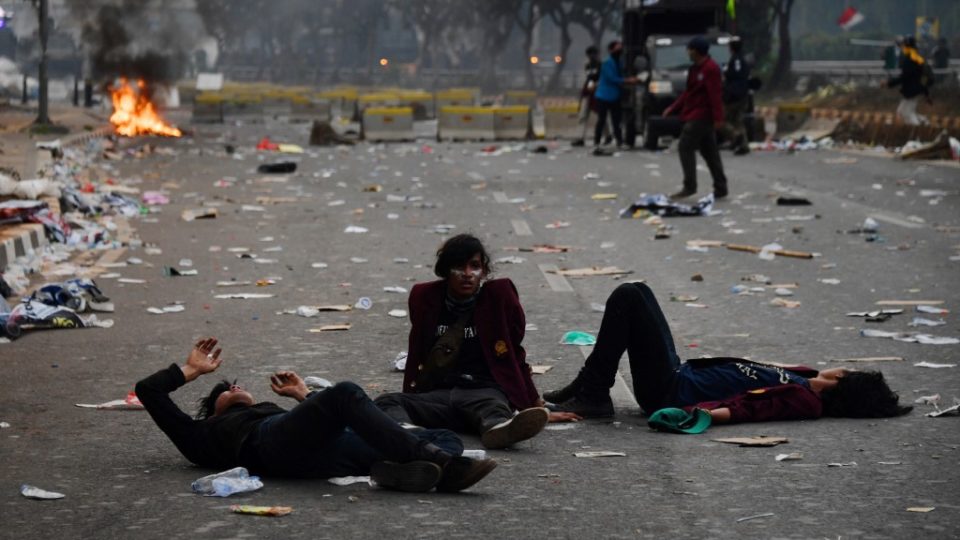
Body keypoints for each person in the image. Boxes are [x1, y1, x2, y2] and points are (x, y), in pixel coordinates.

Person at [136, 337, 498, 493]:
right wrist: (190, 370)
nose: (231, 388)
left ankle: (397, 472)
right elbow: (148, 391)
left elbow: (319, 425)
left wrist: (303, 396)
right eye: (223, 393)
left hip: (328, 454)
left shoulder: (274, 410)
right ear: (211, 413)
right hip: (267, 446)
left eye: (233, 385)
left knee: (441, 437)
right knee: (345, 391)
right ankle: (444, 469)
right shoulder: (198, 435)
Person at [545, 283, 913, 424]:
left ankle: (593, 394)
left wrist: (702, 417)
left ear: (842, 379)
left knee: (630, 296)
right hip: (679, 373)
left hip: (671, 390)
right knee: (636, 291)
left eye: (846, 370)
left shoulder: (806, 401)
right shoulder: (805, 378)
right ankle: (588, 387)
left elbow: (754, 408)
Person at [375, 234, 577, 449]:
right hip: (439, 396)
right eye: (459, 267)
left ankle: (498, 430)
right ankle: (411, 432)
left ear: (484, 271)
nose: (467, 275)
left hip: (483, 393)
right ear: (446, 270)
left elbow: (514, 354)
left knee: (494, 411)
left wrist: (536, 408)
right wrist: (412, 395)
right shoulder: (426, 298)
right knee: (387, 402)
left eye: (474, 266)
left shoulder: (497, 298)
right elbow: (416, 349)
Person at [663, 36, 729, 200]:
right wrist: (673, 107)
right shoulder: (695, 69)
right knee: (710, 152)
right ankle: (721, 187)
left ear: (697, 51)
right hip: (693, 112)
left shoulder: (711, 69)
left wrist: (718, 117)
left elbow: (715, 95)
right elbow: (688, 92)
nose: (688, 52)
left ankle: (689, 186)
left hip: (702, 116)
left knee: (685, 147)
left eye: (690, 49)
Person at [593, 40, 637, 149]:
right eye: (617, 48)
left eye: (620, 48)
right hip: (604, 95)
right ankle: (597, 141)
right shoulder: (607, 63)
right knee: (602, 120)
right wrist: (627, 80)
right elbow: (612, 78)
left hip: (615, 96)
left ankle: (619, 141)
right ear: (611, 50)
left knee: (617, 120)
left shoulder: (620, 62)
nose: (620, 50)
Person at [883, 36, 930, 126]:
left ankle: (919, 128)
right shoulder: (915, 57)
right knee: (901, 111)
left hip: (912, 90)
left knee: (907, 113)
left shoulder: (910, 60)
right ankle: (924, 122)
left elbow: (904, 77)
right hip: (915, 89)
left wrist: (889, 83)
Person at [718, 36, 751, 156]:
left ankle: (735, 136)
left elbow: (729, 76)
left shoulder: (733, 61)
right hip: (743, 95)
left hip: (731, 96)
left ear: (730, 47)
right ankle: (744, 145)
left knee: (720, 120)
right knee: (738, 121)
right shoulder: (744, 60)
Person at [573, 45, 610, 147]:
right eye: (589, 55)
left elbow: (603, 79)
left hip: (598, 93)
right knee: (583, 116)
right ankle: (580, 137)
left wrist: (596, 85)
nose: (591, 57)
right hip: (588, 93)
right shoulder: (588, 66)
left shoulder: (601, 66)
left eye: (593, 54)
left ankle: (608, 135)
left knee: (601, 116)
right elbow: (588, 79)